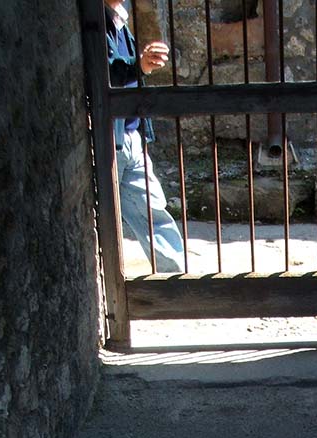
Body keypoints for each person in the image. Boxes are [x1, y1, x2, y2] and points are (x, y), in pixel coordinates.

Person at [104, 1, 185, 273]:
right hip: (110, 138)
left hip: (129, 135)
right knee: (103, 217)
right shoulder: (95, 20)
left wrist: (141, 64)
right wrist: (139, 64)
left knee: (153, 211)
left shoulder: (117, 18)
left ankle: (178, 281)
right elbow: (108, 70)